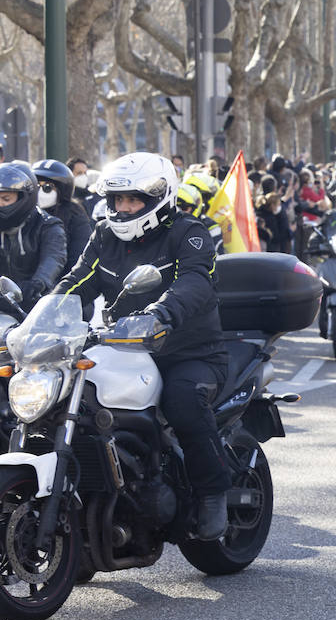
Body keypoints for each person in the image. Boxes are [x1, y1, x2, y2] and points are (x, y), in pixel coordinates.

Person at [54, 152, 229, 539]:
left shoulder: (189, 232)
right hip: (123, 349)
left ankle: (213, 492)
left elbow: (196, 281)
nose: (123, 208)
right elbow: (76, 282)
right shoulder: (103, 235)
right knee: (73, 401)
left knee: (183, 401)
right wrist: (44, 314)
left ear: (158, 198)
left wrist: (161, 312)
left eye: (133, 200)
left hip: (189, 351)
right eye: (118, 200)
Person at [0, 161, 68, 307]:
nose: (1, 204)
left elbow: (54, 257)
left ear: (24, 197)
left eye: (6, 199)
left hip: (38, 305)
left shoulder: (48, 225)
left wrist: (37, 283)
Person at [33, 158, 94, 265]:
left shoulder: (76, 216)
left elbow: (79, 257)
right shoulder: (27, 212)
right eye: (37, 186)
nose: (40, 192)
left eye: (47, 187)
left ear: (62, 189)